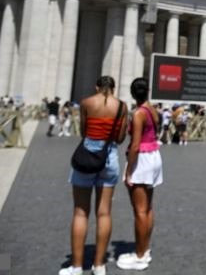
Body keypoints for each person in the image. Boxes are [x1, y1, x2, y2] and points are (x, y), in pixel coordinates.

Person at [60, 76, 127, 275]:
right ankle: (99, 266)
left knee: (80, 212)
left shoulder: (87, 103)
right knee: (104, 212)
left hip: (88, 153)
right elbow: (121, 137)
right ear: (113, 89)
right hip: (109, 156)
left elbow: (83, 130)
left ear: (96, 86)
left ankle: (77, 266)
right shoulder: (122, 106)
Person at [117, 78, 163, 271]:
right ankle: (145, 248)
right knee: (148, 208)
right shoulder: (153, 110)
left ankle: (140, 255)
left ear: (133, 93)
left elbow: (135, 145)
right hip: (154, 156)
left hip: (141, 159)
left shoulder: (137, 114)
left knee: (139, 210)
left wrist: (128, 172)